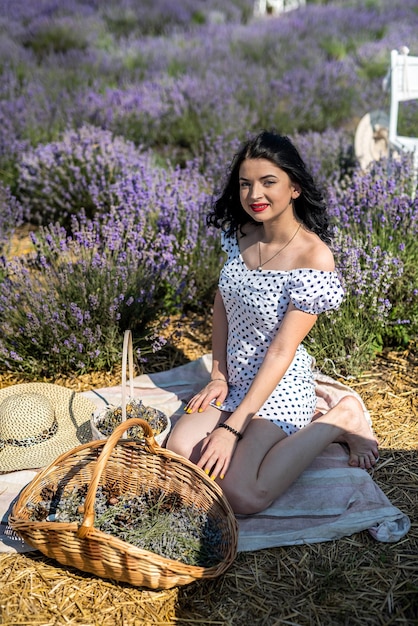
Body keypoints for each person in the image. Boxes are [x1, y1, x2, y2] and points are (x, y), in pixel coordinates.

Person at [166, 130, 379, 515]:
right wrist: (217, 374)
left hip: (278, 386)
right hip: (234, 379)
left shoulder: (314, 257)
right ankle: (243, 422)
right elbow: (222, 303)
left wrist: (231, 429)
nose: (254, 195)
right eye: (245, 184)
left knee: (242, 495)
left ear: (294, 187)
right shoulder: (242, 235)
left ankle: (339, 418)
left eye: (268, 182)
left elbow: (282, 351)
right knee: (180, 452)